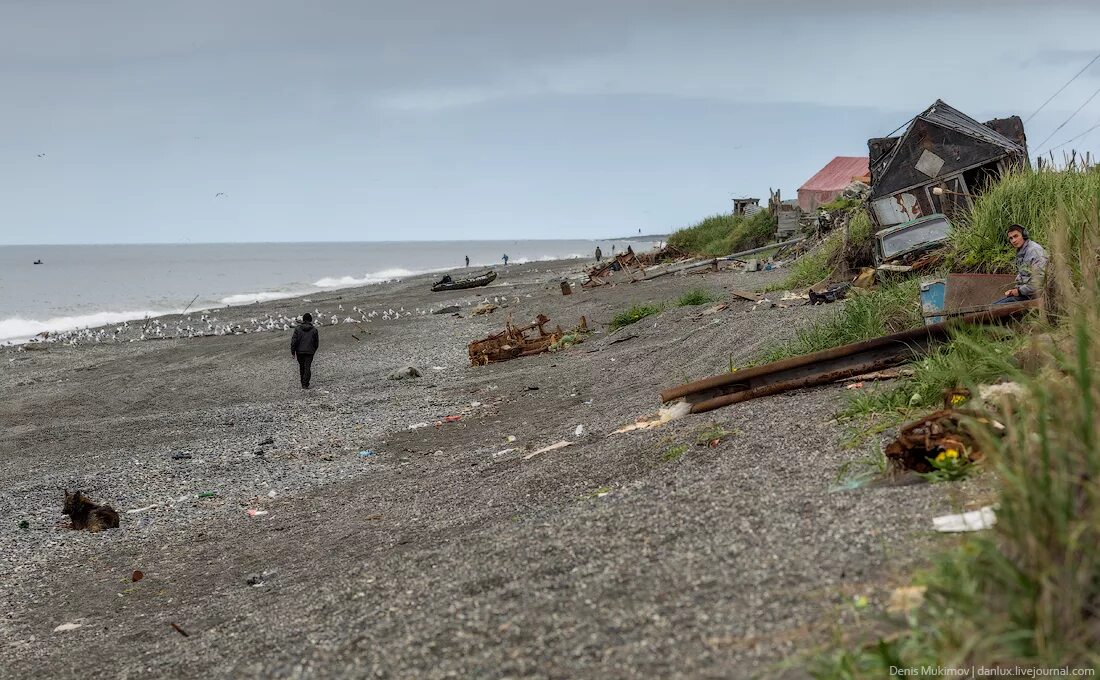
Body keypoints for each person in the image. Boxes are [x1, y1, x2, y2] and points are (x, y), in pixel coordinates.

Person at [995, 224, 1048, 304]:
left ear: (1024, 235)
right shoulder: (1021, 251)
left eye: (1016, 236)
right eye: (1011, 238)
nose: (1013, 241)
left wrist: (1019, 291)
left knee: (994, 307)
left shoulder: (1034, 251)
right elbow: (1023, 275)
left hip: (1037, 295)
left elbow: (1039, 281)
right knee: (993, 306)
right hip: (1027, 293)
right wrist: (1015, 290)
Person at [290, 312, 320, 389]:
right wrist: (313, 350)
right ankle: (305, 383)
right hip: (310, 351)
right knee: (307, 367)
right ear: (310, 320)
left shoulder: (297, 329)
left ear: (303, 320)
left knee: (302, 367)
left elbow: (294, 341)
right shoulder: (314, 330)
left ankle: (303, 383)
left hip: (299, 352)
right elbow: (316, 342)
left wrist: (293, 352)